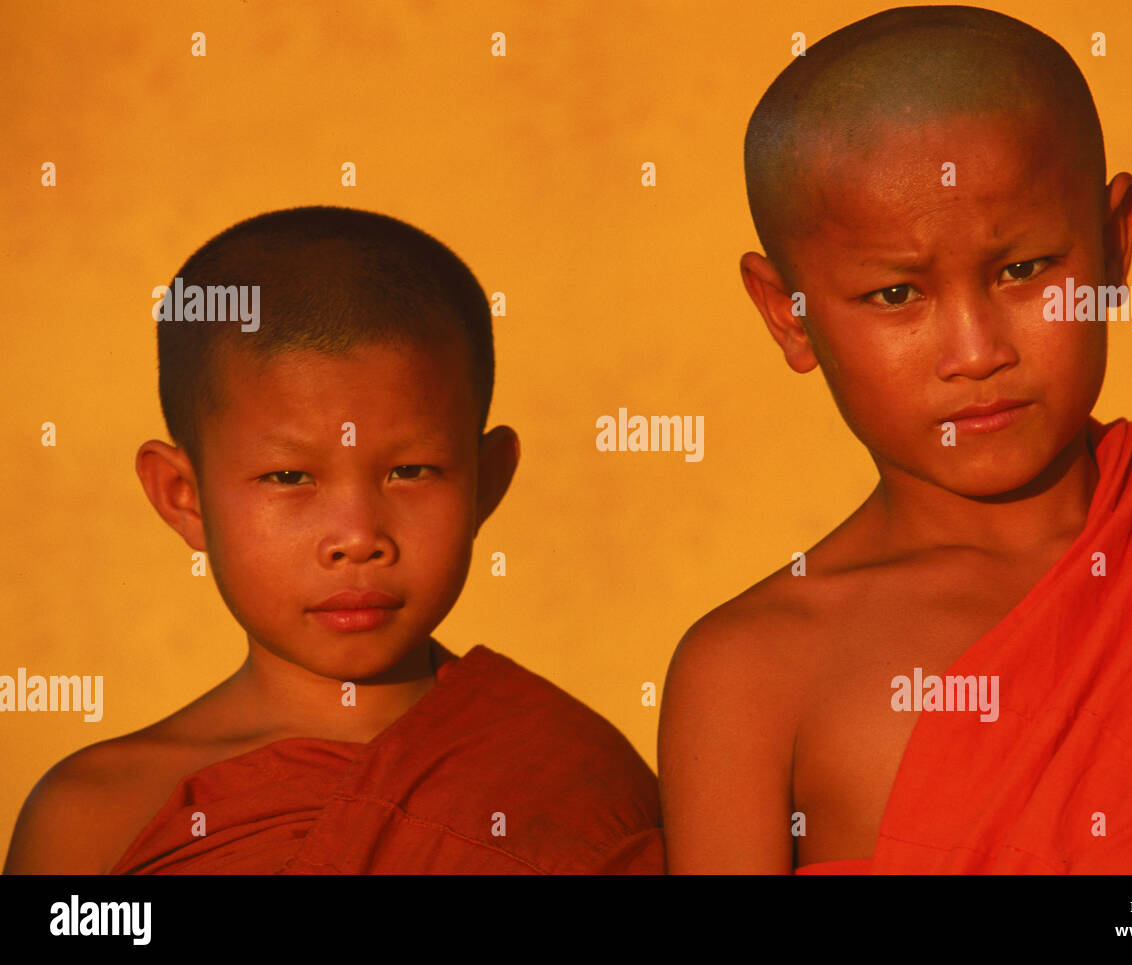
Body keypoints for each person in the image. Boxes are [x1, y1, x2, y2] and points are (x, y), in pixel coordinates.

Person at [658, 5, 1132, 873]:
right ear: (790, 313)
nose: (977, 352)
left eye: (1024, 269)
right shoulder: (751, 675)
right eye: (896, 295)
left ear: (1115, 245)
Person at [5, 206, 664, 874]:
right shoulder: (92, 818)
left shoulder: (571, 784)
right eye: (289, 476)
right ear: (184, 495)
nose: (357, 537)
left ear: (486, 482)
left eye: (411, 471)